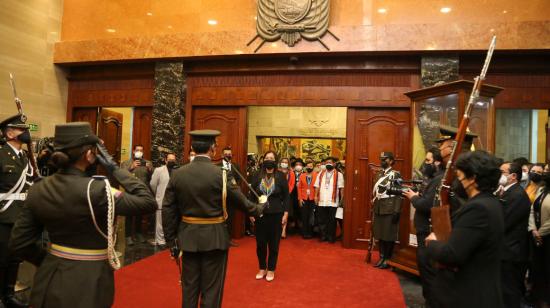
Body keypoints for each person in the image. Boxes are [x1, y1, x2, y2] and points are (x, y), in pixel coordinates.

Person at [8, 122, 157, 308]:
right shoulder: (98, 190)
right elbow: (148, 202)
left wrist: (50, 260)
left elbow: (18, 243)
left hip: (48, 277)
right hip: (89, 280)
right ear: (89, 155)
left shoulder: (38, 188)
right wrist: (114, 168)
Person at [162, 130, 264, 307]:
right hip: (215, 238)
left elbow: (168, 209)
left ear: (193, 147)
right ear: (213, 149)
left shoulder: (178, 174)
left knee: (189, 288)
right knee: (212, 290)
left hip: (187, 238)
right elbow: (242, 203)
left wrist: (171, 241)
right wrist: (260, 208)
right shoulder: (222, 174)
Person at [425, 150, 504, 308]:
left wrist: (432, 243)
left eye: (459, 177)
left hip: (468, 294)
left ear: (472, 178)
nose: (457, 182)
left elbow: (452, 254)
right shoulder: (492, 202)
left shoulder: (478, 208)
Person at [0, 114, 34, 308]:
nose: (25, 132)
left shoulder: (25, 157)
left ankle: (9, 294)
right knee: (2, 258)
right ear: (10, 132)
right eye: (21, 129)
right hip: (3, 214)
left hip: (21, 215)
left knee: (15, 257)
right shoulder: (1, 154)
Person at [402, 147, 443, 305]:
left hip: (428, 232)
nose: (425, 164)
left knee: (428, 273)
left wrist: (413, 197)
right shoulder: (435, 178)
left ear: (437, 162)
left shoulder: (438, 179)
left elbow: (426, 205)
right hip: (424, 231)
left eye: (428, 160)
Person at [249, 151, 289, 282]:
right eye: (267, 158)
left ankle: (271, 269)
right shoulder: (256, 175)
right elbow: (250, 196)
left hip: (276, 214)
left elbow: (286, 197)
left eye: (272, 158)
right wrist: (251, 212)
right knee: (260, 244)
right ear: (263, 160)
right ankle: (262, 268)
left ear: (275, 161)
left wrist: (286, 214)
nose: (269, 160)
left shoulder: (281, 176)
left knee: (274, 244)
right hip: (260, 214)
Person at [498, 161, 531, 308]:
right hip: (505, 251)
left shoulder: (517, 194)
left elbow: (505, 221)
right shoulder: (507, 191)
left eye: (503, 172)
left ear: (513, 176)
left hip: (511, 252)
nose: (500, 175)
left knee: (510, 293)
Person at [371, 152, 402, 269]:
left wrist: (396, 210)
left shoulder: (396, 175)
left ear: (391, 161)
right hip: (379, 207)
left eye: (385, 159)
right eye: (381, 159)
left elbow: (399, 193)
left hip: (390, 208)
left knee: (388, 235)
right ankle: (381, 257)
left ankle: (387, 259)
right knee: (380, 234)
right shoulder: (379, 175)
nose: (382, 161)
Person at [121, 144, 153, 245]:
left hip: (142, 192)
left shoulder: (148, 163)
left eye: (141, 150)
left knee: (140, 213)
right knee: (129, 214)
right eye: (137, 150)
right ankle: (128, 236)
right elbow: (121, 175)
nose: (139, 152)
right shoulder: (126, 163)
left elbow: (152, 178)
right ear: (134, 151)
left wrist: (149, 170)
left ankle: (138, 234)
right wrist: (131, 167)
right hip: (130, 191)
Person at [528, 171, 550, 307]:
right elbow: (532, 210)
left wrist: (540, 233)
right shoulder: (541, 189)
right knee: (537, 268)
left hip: (547, 237)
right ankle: (537, 297)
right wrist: (533, 229)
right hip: (537, 235)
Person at [149, 152, 179, 247]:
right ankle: (160, 241)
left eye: (173, 160)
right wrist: (158, 195)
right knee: (160, 222)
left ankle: (170, 239)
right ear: (165, 160)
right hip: (161, 199)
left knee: (172, 221)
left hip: (174, 201)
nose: (171, 161)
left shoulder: (178, 170)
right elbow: (153, 184)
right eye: (170, 159)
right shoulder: (158, 170)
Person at [314, 157, 344, 243]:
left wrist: (342, 201)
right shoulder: (321, 173)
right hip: (322, 200)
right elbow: (317, 186)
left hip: (333, 202)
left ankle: (331, 237)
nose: (328, 164)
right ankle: (323, 236)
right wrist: (315, 196)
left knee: (332, 221)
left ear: (334, 164)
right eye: (327, 162)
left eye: (330, 162)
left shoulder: (339, 174)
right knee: (322, 220)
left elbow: (341, 188)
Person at [216, 146, 242, 246]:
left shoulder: (236, 166)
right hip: (220, 197)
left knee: (230, 218)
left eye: (229, 154)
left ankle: (229, 239)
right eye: (226, 154)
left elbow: (239, 179)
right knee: (220, 218)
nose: (228, 155)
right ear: (222, 155)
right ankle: (219, 240)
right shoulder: (217, 166)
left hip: (232, 198)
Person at [297, 160, 317, 239]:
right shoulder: (302, 175)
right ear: (305, 167)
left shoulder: (316, 175)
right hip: (304, 198)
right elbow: (299, 188)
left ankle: (310, 233)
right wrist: (300, 199)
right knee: (304, 216)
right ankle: (304, 233)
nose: (309, 167)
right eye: (308, 166)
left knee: (311, 216)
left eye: (311, 166)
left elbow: (317, 187)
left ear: (313, 167)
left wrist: (317, 197)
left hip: (313, 198)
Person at [278, 157, 294, 238]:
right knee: (278, 213)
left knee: (285, 213)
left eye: (286, 162)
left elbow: (292, 184)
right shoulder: (277, 171)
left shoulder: (291, 172)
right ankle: (278, 230)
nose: (284, 163)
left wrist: (287, 193)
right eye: (283, 162)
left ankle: (283, 230)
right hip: (277, 195)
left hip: (287, 196)